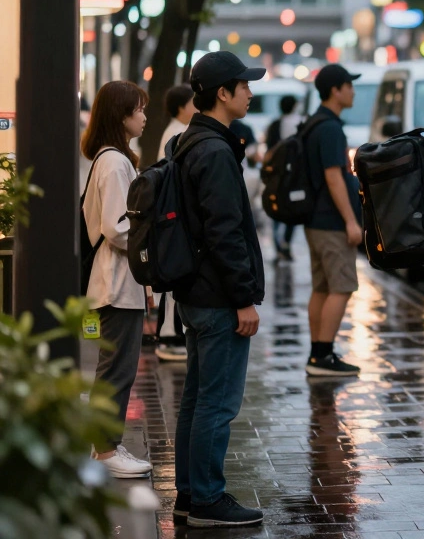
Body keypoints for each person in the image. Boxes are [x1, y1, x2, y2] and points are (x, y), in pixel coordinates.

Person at [171, 51, 266, 528]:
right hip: (217, 297)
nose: (250, 92)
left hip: (196, 292)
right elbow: (224, 232)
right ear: (222, 93)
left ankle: (190, 495)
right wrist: (242, 299)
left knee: (198, 397)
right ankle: (207, 498)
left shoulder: (191, 142)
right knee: (218, 402)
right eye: (243, 85)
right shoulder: (213, 150)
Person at [81, 80, 155, 480]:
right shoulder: (114, 162)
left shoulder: (111, 159)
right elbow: (116, 226)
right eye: (139, 109)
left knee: (116, 367)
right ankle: (106, 448)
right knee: (116, 369)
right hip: (114, 281)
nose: (144, 116)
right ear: (121, 115)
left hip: (116, 281)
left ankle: (105, 445)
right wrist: (151, 242)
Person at [302, 64, 365, 377]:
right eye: (348, 85)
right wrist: (351, 221)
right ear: (335, 90)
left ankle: (317, 353)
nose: (352, 91)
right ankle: (323, 354)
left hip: (315, 219)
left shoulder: (315, 124)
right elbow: (334, 177)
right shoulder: (329, 128)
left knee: (323, 287)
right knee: (341, 287)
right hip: (330, 221)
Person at [156, 84, 197, 362]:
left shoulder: (174, 130)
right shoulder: (176, 133)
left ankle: (170, 335)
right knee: (173, 283)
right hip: (173, 216)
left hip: (171, 215)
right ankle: (170, 337)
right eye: (193, 103)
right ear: (182, 107)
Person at [266, 96, 304, 263]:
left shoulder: (275, 125)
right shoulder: (301, 123)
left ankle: (278, 246)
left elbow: (269, 149)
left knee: (276, 208)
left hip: (277, 174)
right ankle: (286, 244)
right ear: (295, 106)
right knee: (292, 208)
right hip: (295, 174)